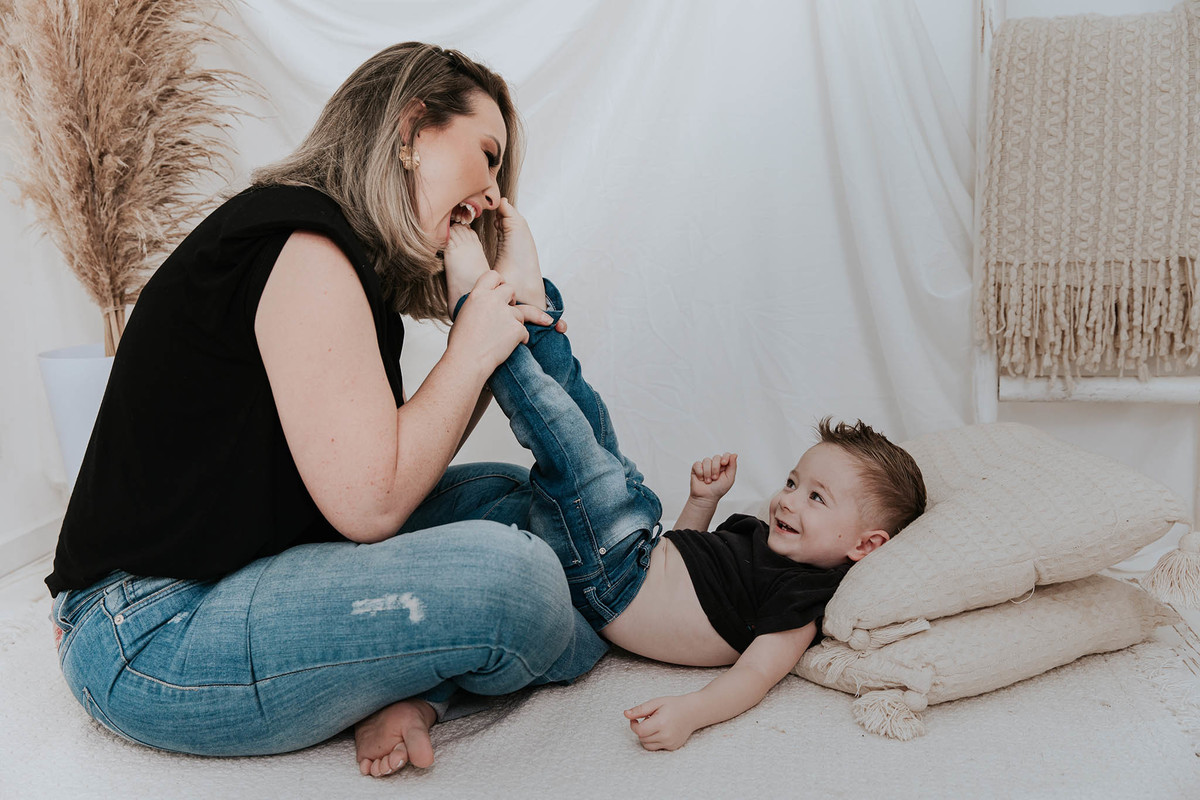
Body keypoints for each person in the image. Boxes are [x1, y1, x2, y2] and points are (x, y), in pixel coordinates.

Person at [44, 42, 608, 778]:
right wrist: (470, 348)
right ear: (410, 130)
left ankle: (413, 684)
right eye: (488, 153)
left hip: (255, 566)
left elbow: (389, 462)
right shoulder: (304, 244)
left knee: (515, 500)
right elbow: (373, 505)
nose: (495, 194)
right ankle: (613, 611)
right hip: (150, 630)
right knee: (521, 579)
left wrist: (498, 332)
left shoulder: (339, 257)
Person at [441, 223, 928, 752]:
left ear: (865, 545)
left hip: (615, 580)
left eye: (816, 497)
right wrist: (702, 502)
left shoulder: (803, 600)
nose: (788, 498)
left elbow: (755, 676)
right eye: (793, 481)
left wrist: (692, 713)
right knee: (593, 423)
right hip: (636, 546)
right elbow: (683, 561)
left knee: (567, 442)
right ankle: (536, 311)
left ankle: (476, 311)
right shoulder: (763, 537)